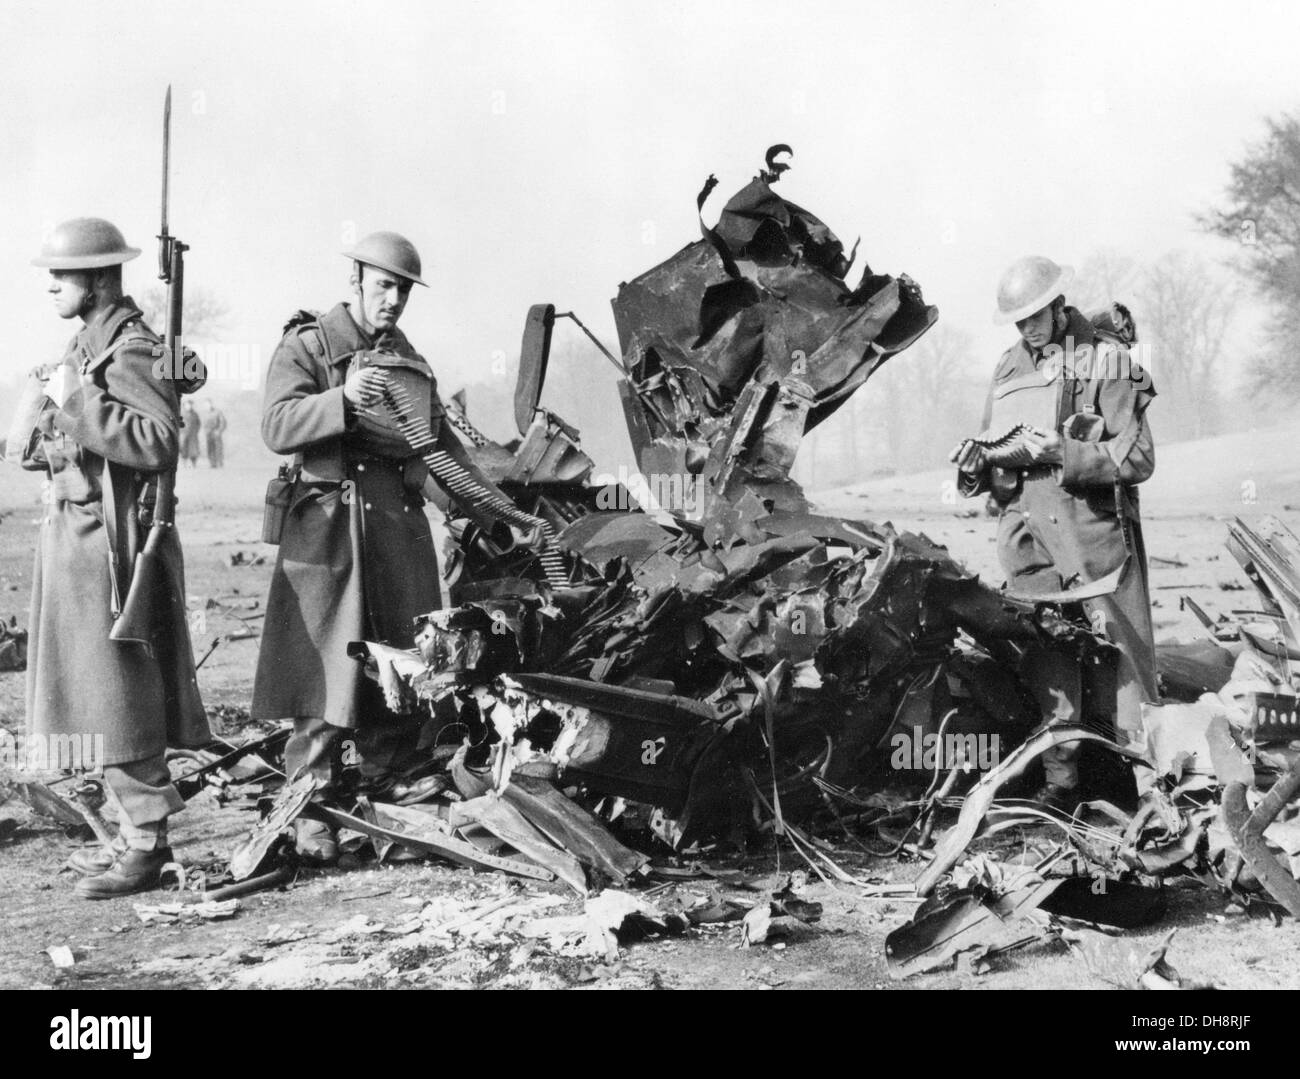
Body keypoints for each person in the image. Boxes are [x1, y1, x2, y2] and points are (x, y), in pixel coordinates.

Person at [251, 230, 523, 862]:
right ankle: (309, 801)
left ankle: (390, 785)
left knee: (402, 663)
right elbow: (275, 425)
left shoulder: (409, 359)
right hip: (327, 532)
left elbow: (440, 453)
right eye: (383, 285)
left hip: (396, 532)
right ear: (356, 281)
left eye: (402, 290)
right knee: (322, 670)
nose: (393, 299)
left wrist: (493, 513)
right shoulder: (309, 345)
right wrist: (341, 401)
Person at [5, 217, 208, 897]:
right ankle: (131, 836)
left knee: (116, 699)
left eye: (61, 276)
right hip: (75, 537)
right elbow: (66, 435)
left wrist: (75, 399)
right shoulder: (87, 344)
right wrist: (46, 418)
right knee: (93, 703)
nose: (52, 287)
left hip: (112, 548)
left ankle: (148, 845)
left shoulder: (131, 349)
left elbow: (157, 441)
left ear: (96, 280)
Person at [950, 255, 1158, 808]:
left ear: (1059, 305)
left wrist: (1063, 451)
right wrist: (976, 466)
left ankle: (1136, 790)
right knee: (1047, 651)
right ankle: (1062, 785)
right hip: (1026, 532)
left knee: (1118, 657)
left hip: (1092, 528)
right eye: (1017, 322)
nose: (1027, 329)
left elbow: (1137, 459)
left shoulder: (1109, 361)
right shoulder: (1007, 368)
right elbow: (994, 446)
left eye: (1035, 316)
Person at [200, 399, 227, 468]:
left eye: (209, 404)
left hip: (216, 432)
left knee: (218, 448)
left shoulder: (217, 412)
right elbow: (202, 423)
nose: (207, 406)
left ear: (211, 404)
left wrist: (219, 431)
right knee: (210, 448)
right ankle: (212, 463)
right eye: (206, 405)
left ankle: (220, 462)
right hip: (208, 433)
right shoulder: (204, 413)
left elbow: (223, 422)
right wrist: (204, 431)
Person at [179, 398, 201, 467]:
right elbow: (178, 423)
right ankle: (184, 464)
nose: (189, 406)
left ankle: (194, 464)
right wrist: (181, 431)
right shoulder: (181, 414)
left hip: (193, 435)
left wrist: (196, 431)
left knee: (193, 450)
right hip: (184, 434)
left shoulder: (195, 414)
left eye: (190, 405)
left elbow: (198, 423)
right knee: (184, 449)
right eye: (187, 405)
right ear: (184, 405)